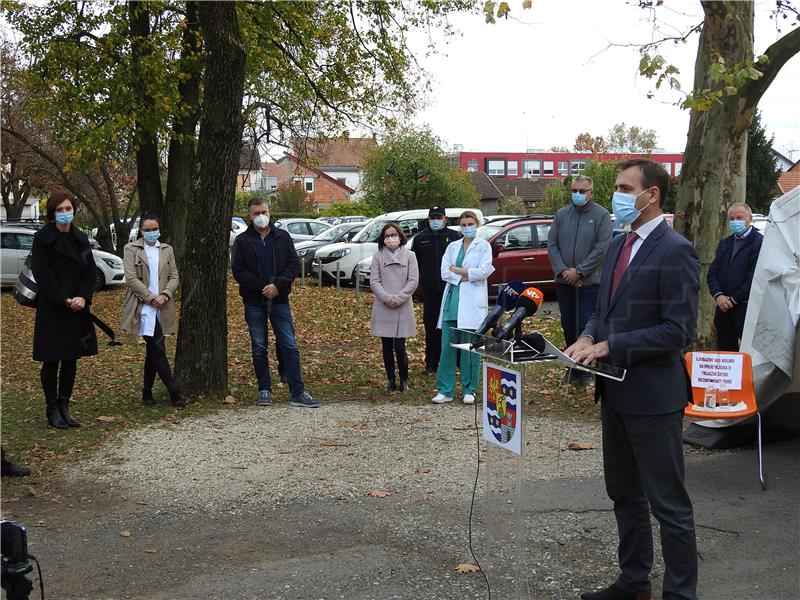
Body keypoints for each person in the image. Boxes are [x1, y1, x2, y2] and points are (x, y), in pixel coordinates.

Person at [565, 159, 700, 600]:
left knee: (668, 504)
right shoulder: (620, 246)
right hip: (616, 393)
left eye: (625, 187)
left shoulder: (675, 249)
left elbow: (677, 330)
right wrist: (586, 337)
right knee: (624, 493)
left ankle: (680, 594)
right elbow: (602, 312)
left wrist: (610, 346)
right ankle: (633, 581)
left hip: (655, 397)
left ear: (652, 195)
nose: (617, 195)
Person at [231, 197, 319, 408]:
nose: (261, 217)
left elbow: (292, 264)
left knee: (289, 345)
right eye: (256, 213)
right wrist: (262, 286)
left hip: (280, 300)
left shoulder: (283, 237)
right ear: (249, 216)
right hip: (254, 301)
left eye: (264, 212)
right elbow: (239, 271)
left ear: (269, 212)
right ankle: (264, 389)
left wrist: (277, 286)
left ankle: (297, 391)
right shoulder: (243, 241)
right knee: (259, 346)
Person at [30, 191, 98, 429]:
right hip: (53, 306)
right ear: (51, 213)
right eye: (59, 210)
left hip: (77, 307)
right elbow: (42, 274)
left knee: (71, 358)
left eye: (68, 208)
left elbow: (90, 272)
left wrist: (82, 296)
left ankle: (64, 405)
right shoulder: (42, 238)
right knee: (52, 359)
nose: (64, 213)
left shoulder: (80, 238)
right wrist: (64, 298)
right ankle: (52, 408)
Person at [548, 175, 613, 385]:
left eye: (582, 191)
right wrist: (564, 271)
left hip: (590, 282)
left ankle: (584, 369)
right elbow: (552, 244)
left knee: (586, 326)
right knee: (568, 324)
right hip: (565, 281)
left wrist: (581, 271)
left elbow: (603, 247)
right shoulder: (562, 214)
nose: (577, 194)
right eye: (574, 190)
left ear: (591, 193)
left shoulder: (601, 215)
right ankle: (571, 366)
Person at [121, 212, 184, 407]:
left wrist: (164, 295)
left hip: (163, 305)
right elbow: (131, 278)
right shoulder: (131, 249)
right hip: (143, 306)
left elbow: (174, 276)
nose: (151, 233)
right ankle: (174, 391)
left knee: (153, 350)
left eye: (154, 229)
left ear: (159, 229)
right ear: (141, 231)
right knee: (157, 347)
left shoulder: (167, 249)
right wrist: (150, 298)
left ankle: (147, 391)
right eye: (147, 230)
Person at [432, 210, 495, 405]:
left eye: (470, 224)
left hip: (472, 305)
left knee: (470, 348)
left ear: (477, 224)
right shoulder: (452, 246)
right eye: (464, 224)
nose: (467, 227)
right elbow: (444, 272)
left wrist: (458, 271)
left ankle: (470, 389)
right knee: (447, 348)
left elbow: (484, 272)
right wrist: (466, 275)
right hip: (452, 302)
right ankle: (445, 389)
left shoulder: (484, 246)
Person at [370, 222, 419, 392]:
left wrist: (398, 299)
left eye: (394, 235)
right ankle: (390, 379)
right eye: (387, 236)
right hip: (384, 306)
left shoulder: (410, 256)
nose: (391, 238)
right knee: (386, 346)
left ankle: (404, 379)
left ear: (400, 236)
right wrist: (387, 298)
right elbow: (374, 281)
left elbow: (413, 281)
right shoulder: (378, 256)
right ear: (383, 239)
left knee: (400, 346)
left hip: (402, 305)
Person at [707, 202, 763, 351]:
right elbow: (712, 272)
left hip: (745, 308)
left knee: (749, 353)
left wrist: (733, 300)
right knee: (725, 352)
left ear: (750, 219)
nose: (735, 221)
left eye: (739, 217)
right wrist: (718, 296)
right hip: (723, 310)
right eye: (731, 218)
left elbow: (754, 277)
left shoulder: (759, 243)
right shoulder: (725, 243)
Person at [412, 206, 461, 374]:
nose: (435, 220)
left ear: (445, 219)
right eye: (432, 217)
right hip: (430, 291)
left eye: (438, 217)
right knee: (431, 327)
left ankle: (456, 361)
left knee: (453, 326)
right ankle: (431, 362)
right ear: (428, 219)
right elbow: (415, 263)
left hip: (450, 289)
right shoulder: (420, 239)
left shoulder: (455, 237)